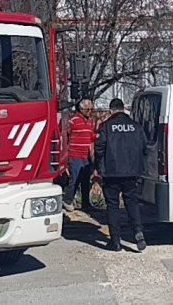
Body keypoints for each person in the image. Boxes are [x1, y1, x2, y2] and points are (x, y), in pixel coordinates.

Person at [95, 98, 148, 252]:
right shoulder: (136, 126)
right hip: (132, 172)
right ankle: (138, 233)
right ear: (123, 109)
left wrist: (99, 168)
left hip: (111, 173)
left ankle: (115, 241)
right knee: (131, 203)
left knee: (112, 206)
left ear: (111, 110)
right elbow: (144, 148)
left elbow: (99, 149)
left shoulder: (106, 126)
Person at [63, 99, 97, 212]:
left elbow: (91, 136)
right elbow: (65, 136)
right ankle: (67, 200)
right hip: (75, 155)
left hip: (86, 156)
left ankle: (86, 203)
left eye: (91, 109)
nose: (90, 111)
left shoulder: (90, 121)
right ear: (81, 109)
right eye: (88, 109)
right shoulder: (73, 121)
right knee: (75, 179)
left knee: (86, 180)